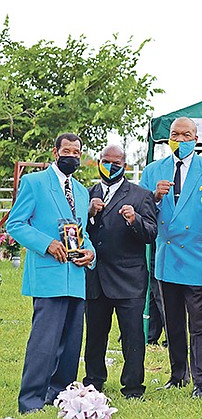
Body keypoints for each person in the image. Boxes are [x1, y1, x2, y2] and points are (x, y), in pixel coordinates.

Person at [7, 133, 96, 413]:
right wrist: (46, 244)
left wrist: (91, 253)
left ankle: (60, 397)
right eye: (67, 151)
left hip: (76, 278)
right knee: (44, 345)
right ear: (55, 152)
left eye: (77, 152)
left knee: (70, 347)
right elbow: (16, 224)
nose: (72, 156)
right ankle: (31, 401)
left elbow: (83, 233)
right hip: (48, 276)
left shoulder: (82, 191)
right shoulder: (34, 183)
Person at [139, 117, 202, 398]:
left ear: (196, 138)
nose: (181, 139)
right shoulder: (153, 171)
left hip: (198, 256)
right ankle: (178, 374)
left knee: (200, 324)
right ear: (168, 139)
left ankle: (201, 381)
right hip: (167, 257)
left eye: (186, 134)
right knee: (173, 321)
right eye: (175, 134)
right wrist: (154, 197)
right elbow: (142, 214)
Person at [83, 144, 157, 399]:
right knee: (94, 336)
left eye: (115, 163)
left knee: (133, 337)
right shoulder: (88, 194)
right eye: (105, 161)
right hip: (96, 277)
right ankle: (93, 381)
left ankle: (133, 387)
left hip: (129, 279)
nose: (110, 166)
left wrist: (134, 220)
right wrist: (89, 215)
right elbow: (78, 233)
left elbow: (151, 233)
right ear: (98, 162)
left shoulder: (140, 195)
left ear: (124, 165)